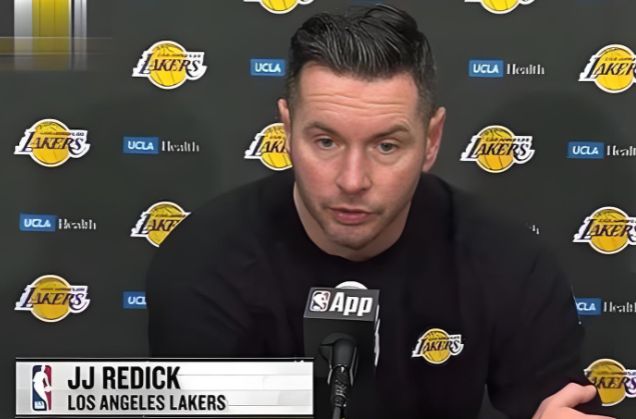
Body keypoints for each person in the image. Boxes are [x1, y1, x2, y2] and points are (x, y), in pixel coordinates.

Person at [147, 5, 611, 419]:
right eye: (325, 141)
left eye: (386, 146)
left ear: (431, 141)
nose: (352, 180)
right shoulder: (204, 263)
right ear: (287, 130)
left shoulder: (508, 261)